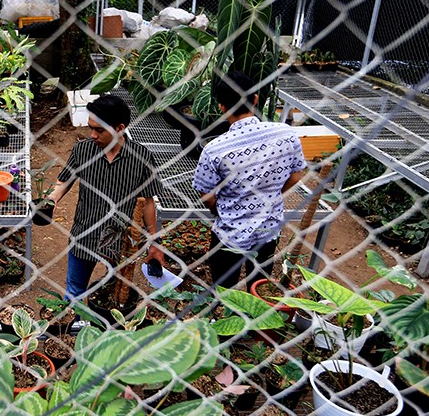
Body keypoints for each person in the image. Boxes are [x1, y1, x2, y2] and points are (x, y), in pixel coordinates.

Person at [192, 71, 307, 290]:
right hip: (268, 227)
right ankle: (257, 319)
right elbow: (296, 176)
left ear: (221, 107)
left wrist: (222, 210)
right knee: (260, 285)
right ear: (255, 99)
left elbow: (205, 193)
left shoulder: (215, 149)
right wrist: (270, 196)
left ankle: (225, 318)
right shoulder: (286, 134)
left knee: (225, 289)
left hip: (230, 231)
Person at [48, 94, 166, 300]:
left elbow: (148, 202)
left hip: (121, 239)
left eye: (99, 130)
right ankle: (71, 329)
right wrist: (52, 199)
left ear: (119, 128)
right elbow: (64, 181)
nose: (92, 135)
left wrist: (154, 241)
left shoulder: (142, 157)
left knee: (116, 291)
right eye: (90, 128)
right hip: (85, 232)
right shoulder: (83, 150)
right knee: (74, 290)